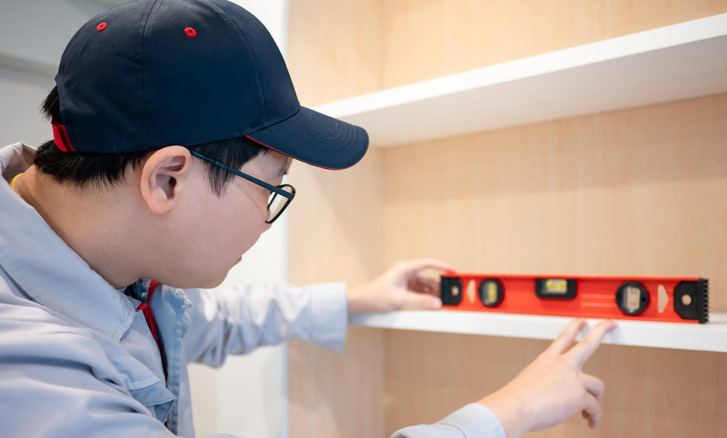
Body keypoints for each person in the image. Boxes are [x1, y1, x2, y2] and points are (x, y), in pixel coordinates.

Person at [0, 0, 616, 437]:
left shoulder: (108, 260)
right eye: (272, 189)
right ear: (167, 178)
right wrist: (508, 412)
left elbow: (202, 325)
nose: (268, 223)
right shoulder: (33, 376)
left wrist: (360, 297)